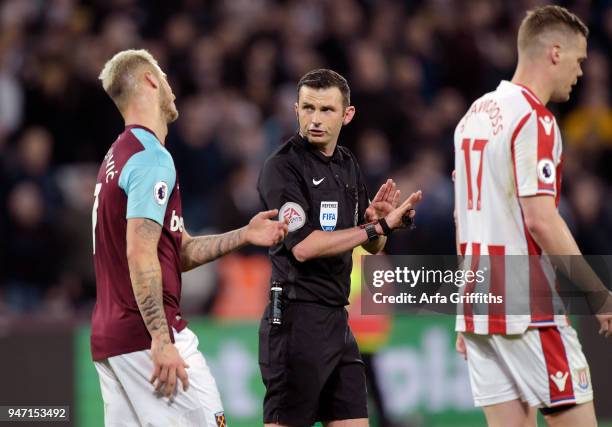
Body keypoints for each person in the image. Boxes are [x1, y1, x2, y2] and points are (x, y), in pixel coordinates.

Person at [91, 49, 288, 427]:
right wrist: (162, 341)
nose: (170, 84)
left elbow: (176, 251)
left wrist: (244, 234)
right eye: (163, 75)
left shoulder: (116, 157)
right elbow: (140, 252)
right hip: (147, 338)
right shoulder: (151, 157)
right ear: (150, 80)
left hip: (114, 340)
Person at [452, 6, 612, 427]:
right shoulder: (535, 119)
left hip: (478, 299)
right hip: (528, 304)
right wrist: (598, 294)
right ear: (554, 53)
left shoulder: (473, 115)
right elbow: (542, 219)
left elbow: (462, 217)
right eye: (579, 60)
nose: (580, 72)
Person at [257, 68, 422, 427]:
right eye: (308, 108)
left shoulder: (347, 164)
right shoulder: (282, 168)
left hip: (338, 319)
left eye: (327, 110)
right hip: (294, 319)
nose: (315, 119)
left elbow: (372, 245)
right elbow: (303, 247)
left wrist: (380, 225)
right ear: (296, 109)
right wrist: (375, 226)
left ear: (347, 114)